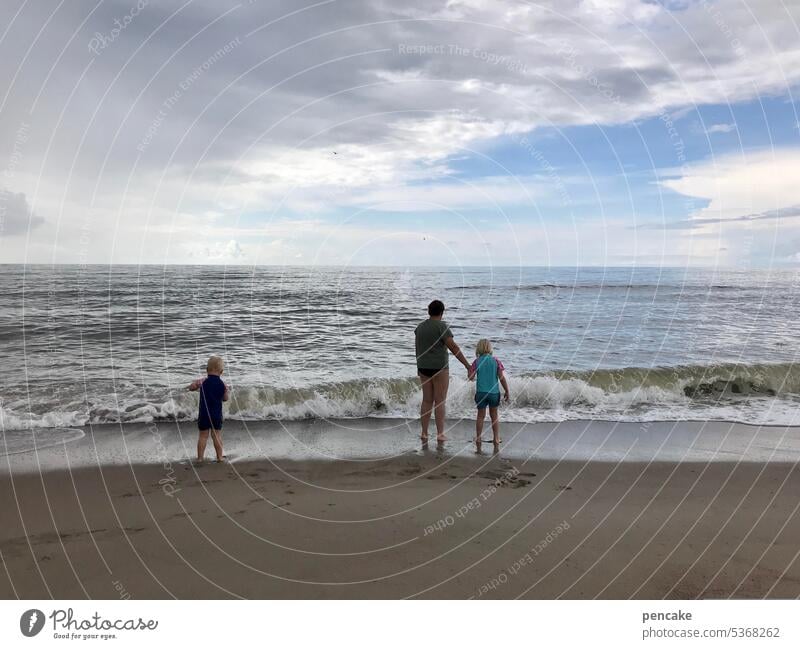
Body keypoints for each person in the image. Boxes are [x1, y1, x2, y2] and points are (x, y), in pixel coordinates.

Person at [414, 299, 471, 443]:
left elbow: (418, 348)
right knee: (439, 402)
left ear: (429, 311)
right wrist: (467, 365)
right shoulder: (441, 326)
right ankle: (440, 434)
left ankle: (424, 433)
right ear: (442, 312)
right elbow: (454, 347)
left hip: (423, 367)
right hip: (440, 368)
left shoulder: (420, 327)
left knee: (427, 400)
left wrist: (418, 366)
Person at [188, 355, 230, 463]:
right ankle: (219, 457)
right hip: (216, 415)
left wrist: (195, 384)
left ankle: (200, 458)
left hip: (204, 415)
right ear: (221, 372)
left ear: (207, 370)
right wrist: (226, 392)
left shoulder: (202, 382)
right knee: (216, 435)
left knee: (203, 436)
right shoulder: (223, 384)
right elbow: (225, 399)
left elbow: (191, 388)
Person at [468, 339, 510, 445]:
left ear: (479, 349)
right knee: (494, 415)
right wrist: (506, 390)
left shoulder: (476, 361)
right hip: (494, 393)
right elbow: (501, 378)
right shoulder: (496, 361)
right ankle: (496, 438)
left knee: (480, 416)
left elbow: (471, 378)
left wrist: (469, 370)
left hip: (481, 392)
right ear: (490, 349)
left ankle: (478, 438)